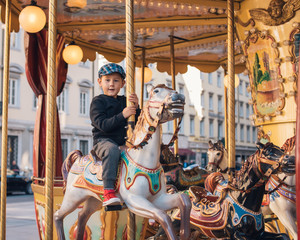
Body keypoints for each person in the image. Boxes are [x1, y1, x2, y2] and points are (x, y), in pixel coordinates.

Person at [90, 63, 140, 206]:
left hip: (124, 143)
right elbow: (103, 125)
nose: (111, 84)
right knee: (111, 150)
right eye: (107, 80)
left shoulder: (125, 101)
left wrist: (137, 107)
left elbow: (138, 122)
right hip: (103, 141)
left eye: (116, 80)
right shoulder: (98, 101)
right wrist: (123, 115)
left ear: (123, 83)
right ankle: (108, 191)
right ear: (100, 82)